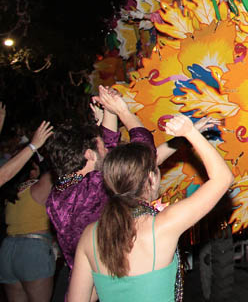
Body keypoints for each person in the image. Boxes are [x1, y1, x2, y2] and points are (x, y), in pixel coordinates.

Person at [67, 114, 233, 302]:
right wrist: (191, 133)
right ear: (151, 179)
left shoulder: (90, 235)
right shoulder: (163, 226)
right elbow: (223, 178)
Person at [44, 86, 156, 272]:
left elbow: (108, 147)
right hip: (111, 283)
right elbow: (142, 155)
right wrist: (122, 112)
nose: (108, 150)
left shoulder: (60, 191)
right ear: (90, 155)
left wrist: (108, 111)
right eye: (101, 147)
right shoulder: (92, 188)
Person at [0, 139, 55, 302]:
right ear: (32, 170)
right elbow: (65, 173)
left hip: (7, 251)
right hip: (33, 250)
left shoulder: (11, 194)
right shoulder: (42, 185)